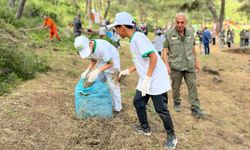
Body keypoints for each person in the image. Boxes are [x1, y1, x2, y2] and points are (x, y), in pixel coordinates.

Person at [111, 12, 177, 149]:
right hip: (147, 77)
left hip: (156, 78)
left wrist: (147, 79)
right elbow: (142, 61)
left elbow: (153, 57)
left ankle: (172, 136)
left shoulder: (138, 38)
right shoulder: (133, 39)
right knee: (138, 102)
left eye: (116, 28)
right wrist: (127, 71)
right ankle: (145, 129)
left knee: (161, 109)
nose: (116, 31)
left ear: (122, 27)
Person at [162, 12, 205, 117]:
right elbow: (164, 50)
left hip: (189, 64)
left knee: (193, 85)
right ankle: (177, 102)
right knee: (176, 86)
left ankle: (195, 108)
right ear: (175, 22)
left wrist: (196, 62)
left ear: (186, 22)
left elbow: (193, 48)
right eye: (178, 22)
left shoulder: (190, 32)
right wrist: (166, 65)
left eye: (182, 22)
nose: (180, 24)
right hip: (176, 66)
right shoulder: (169, 33)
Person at [74, 36, 122, 114]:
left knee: (113, 85)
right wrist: (87, 70)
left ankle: (117, 108)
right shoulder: (88, 47)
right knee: (98, 81)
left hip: (112, 59)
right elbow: (93, 60)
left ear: (90, 43)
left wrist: (97, 70)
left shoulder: (102, 48)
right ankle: (99, 100)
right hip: (102, 60)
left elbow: (110, 64)